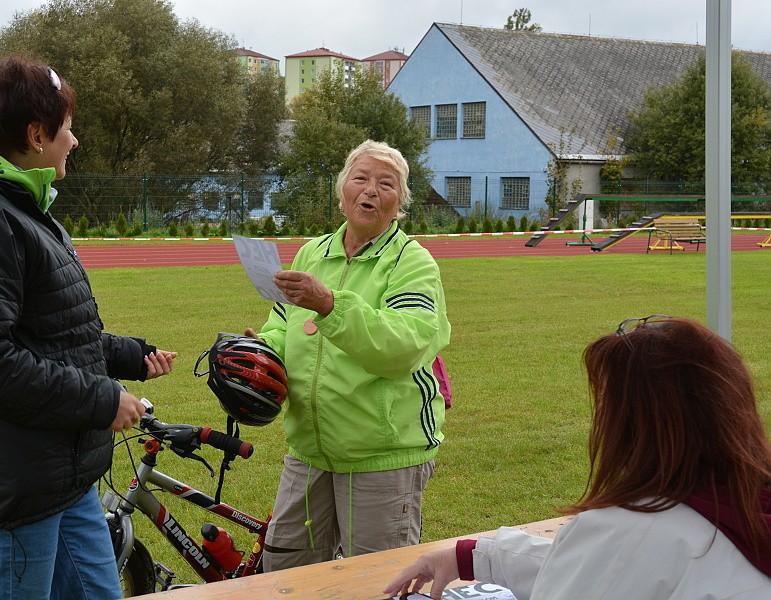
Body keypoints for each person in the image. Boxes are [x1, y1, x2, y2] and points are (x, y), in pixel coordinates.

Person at [0, 56, 177, 599]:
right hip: (19, 485)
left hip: (63, 476)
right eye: (67, 127)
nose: (74, 140)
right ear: (35, 135)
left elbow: (50, 338)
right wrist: (101, 399)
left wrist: (126, 356)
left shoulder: (18, 207)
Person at [385, 316, 771, 600]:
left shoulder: (635, 530)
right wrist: (472, 557)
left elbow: (610, 564)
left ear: (634, 426)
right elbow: (597, 569)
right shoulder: (742, 505)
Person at [245, 139, 451, 571]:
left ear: (400, 203)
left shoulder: (412, 263)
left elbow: (403, 346)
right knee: (285, 574)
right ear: (342, 191)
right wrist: (263, 351)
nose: (370, 190)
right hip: (309, 452)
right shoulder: (312, 253)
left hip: (381, 457)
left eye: (386, 184)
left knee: (375, 582)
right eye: (360, 178)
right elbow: (283, 325)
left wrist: (329, 305)